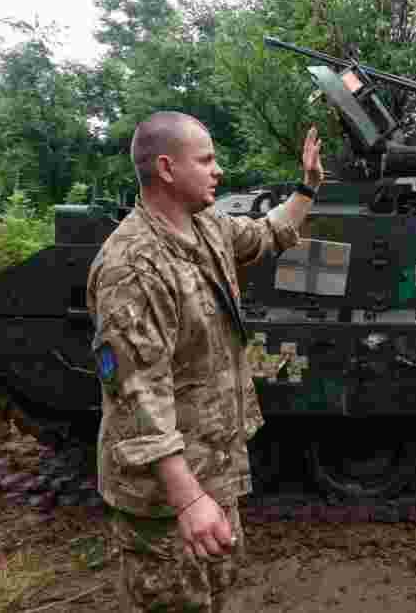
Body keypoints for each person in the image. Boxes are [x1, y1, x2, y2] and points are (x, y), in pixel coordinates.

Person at [86, 111, 323, 612]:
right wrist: (188, 499)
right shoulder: (132, 266)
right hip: (166, 496)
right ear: (167, 169)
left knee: (215, 596)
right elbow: (137, 396)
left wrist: (307, 189)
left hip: (213, 468)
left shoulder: (206, 227)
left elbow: (265, 234)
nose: (218, 170)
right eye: (207, 159)